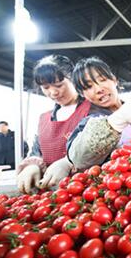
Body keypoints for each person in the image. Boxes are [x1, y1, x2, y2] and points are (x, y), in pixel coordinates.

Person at [16, 55, 107, 193]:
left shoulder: (94, 109)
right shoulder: (44, 118)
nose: (53, 92)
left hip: (87, 192)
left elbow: (104, 149)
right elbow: (37, 150)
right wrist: (33, 166)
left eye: (59, 85)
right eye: (45, 87)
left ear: (73, 80)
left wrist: (68, 162)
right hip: (51, 195)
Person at [66, 57, 131, 171]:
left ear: (114, 80)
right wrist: (115, 122)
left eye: (102, 79)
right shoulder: (90, 123)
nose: (98, 89)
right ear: (83, 94)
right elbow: (78, 158)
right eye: (89, 87)